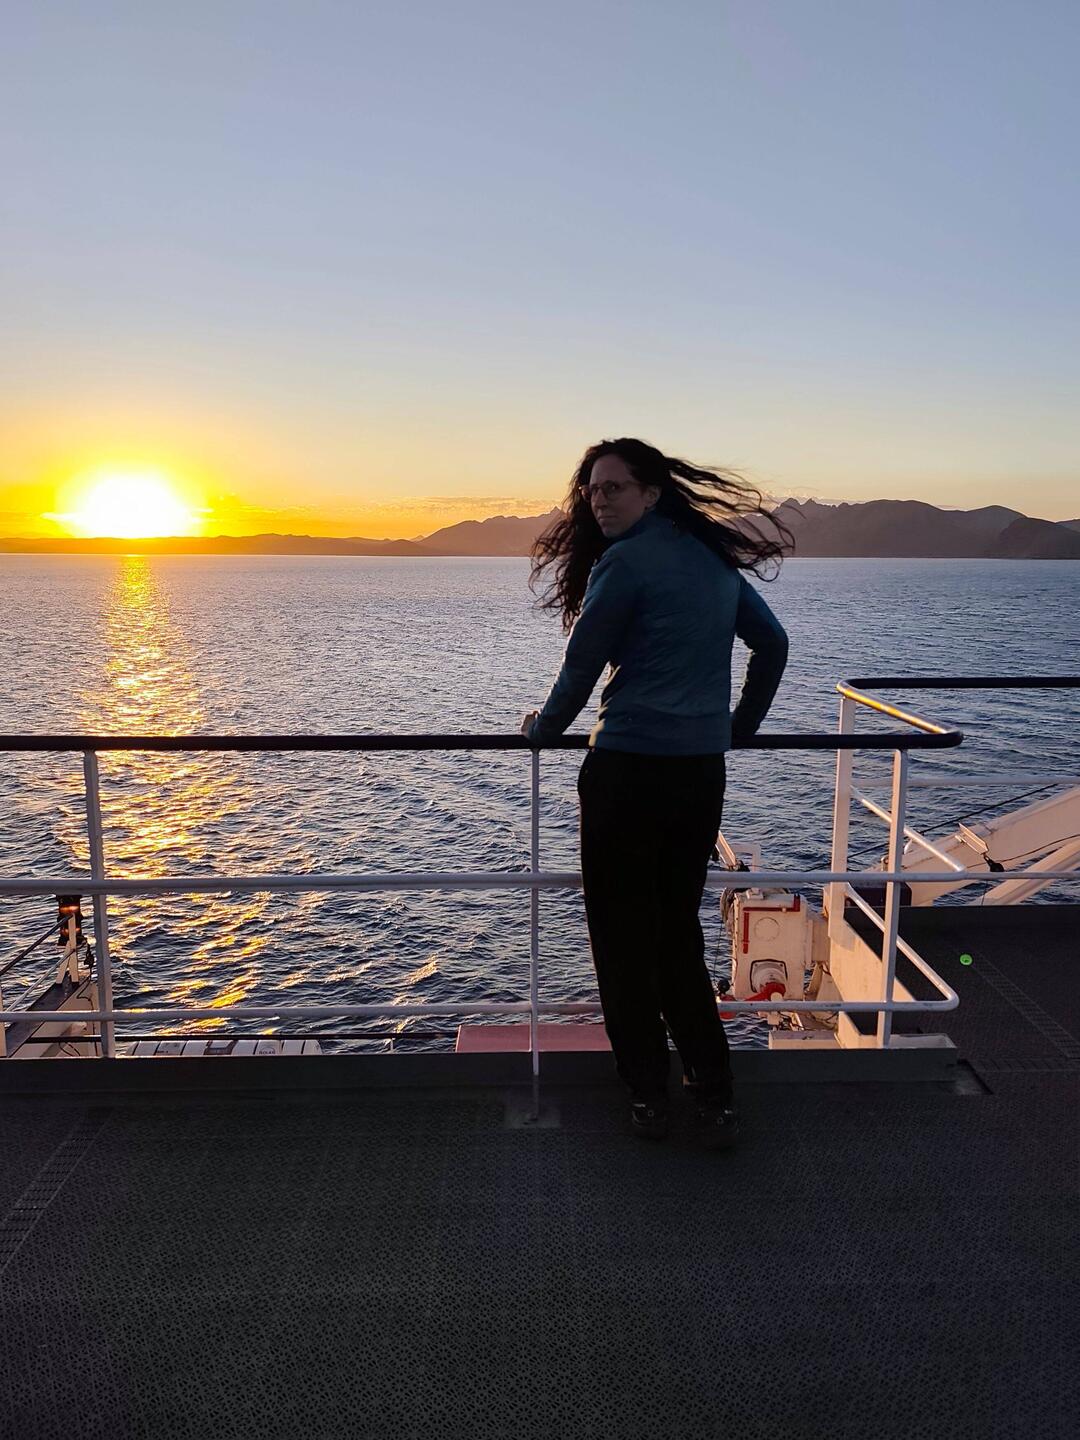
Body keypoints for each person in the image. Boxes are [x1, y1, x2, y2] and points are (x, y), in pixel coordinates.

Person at [521, 437, 790, 1148]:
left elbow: (580, 669)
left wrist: (543, 729)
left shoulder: (625, 563)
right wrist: (736, 728)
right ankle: (713, 1090)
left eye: (613, 487)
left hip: (628, 775)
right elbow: (773, 645)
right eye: (592, 489)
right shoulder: (712, 560)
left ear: (651, 493)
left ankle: (647, 1093)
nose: (598, 500)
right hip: (699, 775)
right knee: (675, 935)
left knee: (620, 940)